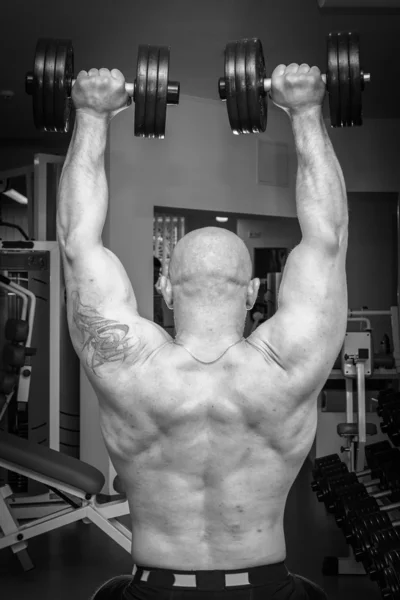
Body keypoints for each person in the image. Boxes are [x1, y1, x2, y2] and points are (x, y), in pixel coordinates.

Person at [56, 62, 348, 599]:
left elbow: (77, 243)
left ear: (165, 288)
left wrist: (91, 114)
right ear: (254, 292)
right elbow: (326, 238)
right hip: (265, 587)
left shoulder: (129, 366)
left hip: (154, 588)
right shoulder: (288, 362)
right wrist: (307, 110)